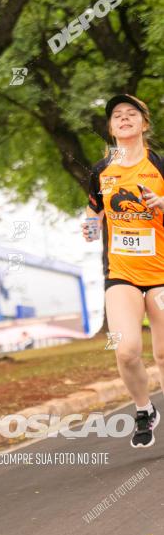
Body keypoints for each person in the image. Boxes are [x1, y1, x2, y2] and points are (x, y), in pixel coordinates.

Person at [85, 94, 164, 448]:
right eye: (117, 115)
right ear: (111, 127)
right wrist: (89, 225)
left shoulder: (159, 164)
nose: (124, 118)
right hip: (122, 275)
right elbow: (93, 211)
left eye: (132, 113)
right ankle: (144, 409)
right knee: (126, 349)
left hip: (162, 274)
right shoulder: (101, 170)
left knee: (162, 354)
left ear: (144, 124)